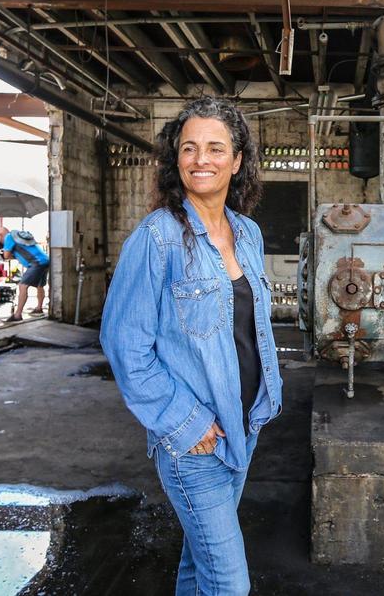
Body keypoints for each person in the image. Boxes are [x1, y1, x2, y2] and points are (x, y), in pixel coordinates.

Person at [101, 97, 283, 595]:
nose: (201, 159)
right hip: (195, 441)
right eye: (189, 148)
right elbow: (124, 343)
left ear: (237, 160)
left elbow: (251, 330)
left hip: (242, 426)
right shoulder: (157, 238)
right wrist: (184, 419)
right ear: (176, 160)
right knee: (228, 583)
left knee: (198, 564)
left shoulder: (247, 234)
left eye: (215, 148)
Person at [0, 225, 50, 321]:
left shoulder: (8, 237)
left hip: (36, 262)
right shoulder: (17, 235)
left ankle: (18, 315)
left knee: (23, 286)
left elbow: (6, 255)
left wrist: (7, 253)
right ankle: (39, 308)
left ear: (0, 236)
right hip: (45, 259)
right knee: (40, 286)